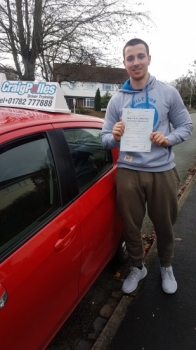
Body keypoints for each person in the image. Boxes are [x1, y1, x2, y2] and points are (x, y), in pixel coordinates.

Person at [101, 38, 193, 294]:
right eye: (130, 58)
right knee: (131, 226)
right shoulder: (117, 100)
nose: (136, 62)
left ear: (149, 59)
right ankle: (138, 266)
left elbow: (186, 126)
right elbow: (104, 138)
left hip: (161, 170)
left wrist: (168, 138)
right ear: (125, 63)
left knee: (164, 223)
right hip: (128, 171)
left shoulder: (168, 92)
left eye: (140, 56)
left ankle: (165, 265)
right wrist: (115, 136)